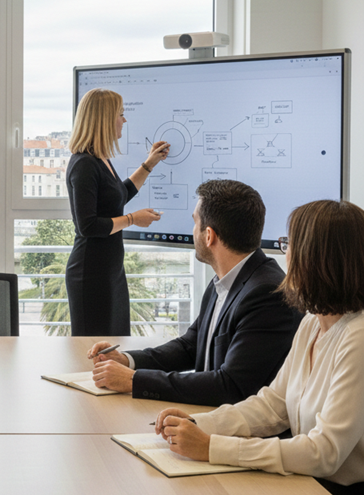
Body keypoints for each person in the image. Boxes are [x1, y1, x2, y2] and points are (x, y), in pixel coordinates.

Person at [155, 200, 364, 494]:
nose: (285, 253)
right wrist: (199, 423)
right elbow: (272, 406)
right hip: (306, 481)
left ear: (315, 258)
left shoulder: (358, 338)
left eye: (289, 243)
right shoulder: (312, 323)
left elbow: (324, 453)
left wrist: (212, 447)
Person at [89, 180, 302, 406]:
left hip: (240, 434)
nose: (192, 231)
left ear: (208, 236)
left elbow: (230, 386)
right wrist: (128, 361)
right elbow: (190, 346)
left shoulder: (267, 294)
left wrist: (135, 380)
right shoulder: (226, 279)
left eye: (195, 223)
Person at [65, 88, 169, 336]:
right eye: (120, 114)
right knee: (95, 352)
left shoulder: (100, 159)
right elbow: (87, 226)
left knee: (114, 345)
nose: (124, 120)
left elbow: (118, 195)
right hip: (91, 275)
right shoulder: (84, 165)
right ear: (104, 119)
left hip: (110, 270)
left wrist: (150, 163)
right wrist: (133, 219)